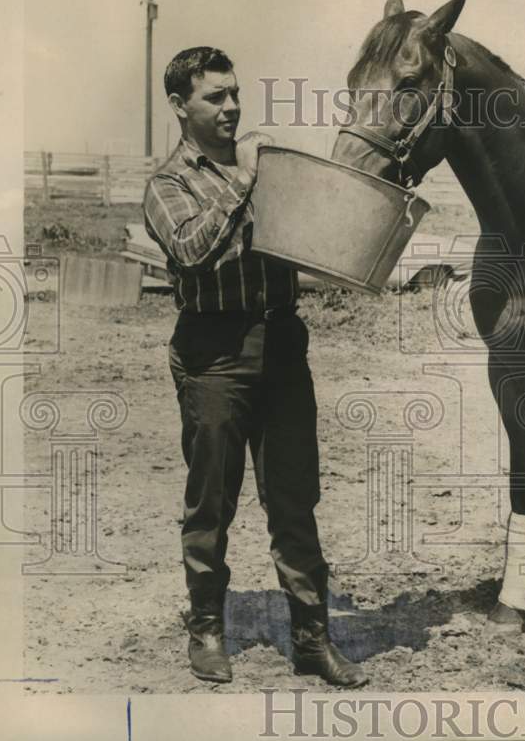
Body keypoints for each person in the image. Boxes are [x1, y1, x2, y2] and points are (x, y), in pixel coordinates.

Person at [143, 46, 367, 688]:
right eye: (215, 96)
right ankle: (208, 629)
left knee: (296, 499)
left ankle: (311, 638)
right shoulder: (169, 184)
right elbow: (189, 252)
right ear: (180, 106)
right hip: (213, 354)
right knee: (211, 501)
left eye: (235, 93)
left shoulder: (265, 166)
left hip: (282, 347)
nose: (232, 106)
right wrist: (244, 181)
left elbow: (317, 236)